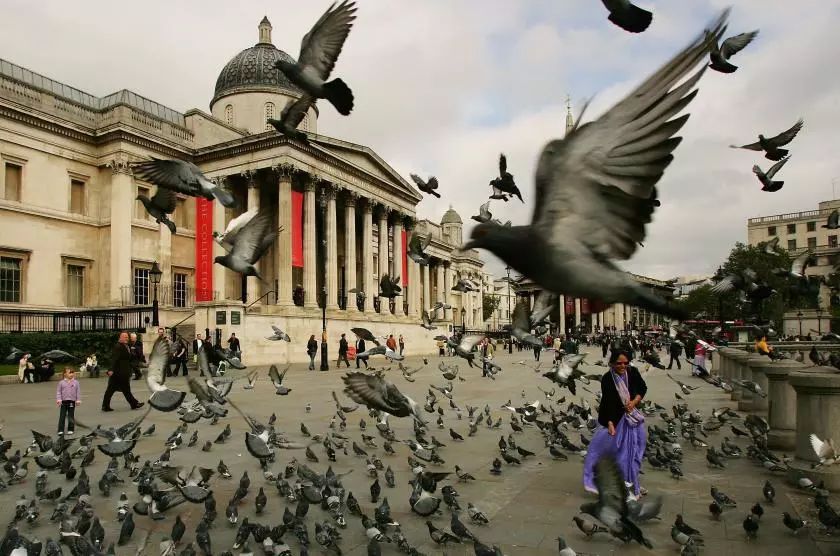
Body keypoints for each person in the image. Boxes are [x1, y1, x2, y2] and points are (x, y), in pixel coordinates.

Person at [583, 350, 647, 498]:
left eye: (625, 363)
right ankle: (617, 485)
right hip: (616, 420)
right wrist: (610, 423)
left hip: (632, 419)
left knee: (633, 454)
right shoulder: (607, 378)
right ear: (612, 363)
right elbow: (607, 402)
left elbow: (642, 389)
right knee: (615, 454)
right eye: (619, 363)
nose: (623, 366)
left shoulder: (633, 372)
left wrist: (633, 402)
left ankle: (631, 482)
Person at [102, 331, 144, 412]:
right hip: (119, 373)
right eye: (125, 337)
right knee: (115, 390)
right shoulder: (118, 347)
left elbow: (129, 357)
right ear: (120, 337)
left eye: (127, 337)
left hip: (123, 372)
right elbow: (114, 359)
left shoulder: (126, 346)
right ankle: (134, 404)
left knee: (119, 390)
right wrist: (111, 369)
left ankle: (106, 406)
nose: (126, 339)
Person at [56, 367, 81, 435]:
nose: (72, 374)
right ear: (65, 374)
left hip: (72, 402)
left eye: (73, 372)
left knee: (71, 416)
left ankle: (70, 428)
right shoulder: (61, 383)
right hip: (63, 402)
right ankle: (60, 429)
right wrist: (59, 399)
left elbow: (78, 391)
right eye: (70, 373)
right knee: (62, 416)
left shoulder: (76, 382)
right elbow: (58, 392)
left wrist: (78, 400)